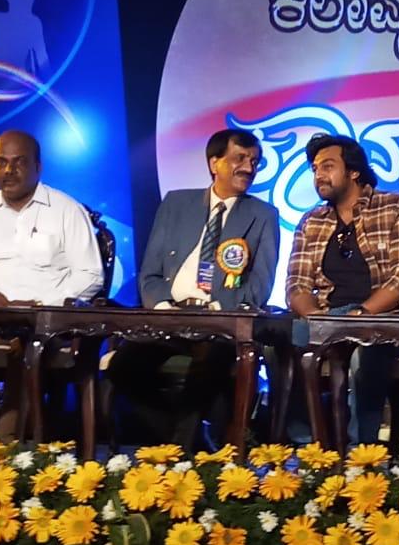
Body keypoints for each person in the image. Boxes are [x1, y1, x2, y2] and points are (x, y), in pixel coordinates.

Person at [109, 128, 280, 448]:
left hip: (220, 323)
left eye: (255, 161)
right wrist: (163, 309)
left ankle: (179, 450)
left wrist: (219, 310)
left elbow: (261, 283)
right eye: (240, 158)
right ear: (215, 163)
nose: (249, 167)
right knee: (122, 366)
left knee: (210, 363)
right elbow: (150, 273)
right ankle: (186, 441)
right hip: (170, 318)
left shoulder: (263, 215)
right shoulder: (176, 203)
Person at [0, 129, 103, 438]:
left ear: (38, 166)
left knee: (26, 340)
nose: (8, 170)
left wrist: (42, 305)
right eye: (0, 162)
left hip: (40, 321)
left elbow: (90, 274)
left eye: (19, 162)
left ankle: (4, 442)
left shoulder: (66, 211)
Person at [287, 134, 399, 445]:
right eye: (315, 169)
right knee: (280, 341)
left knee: (367, 345)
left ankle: (360, 451)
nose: (319, 175)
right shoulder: (312, 221)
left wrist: (361, 314)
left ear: (353, 171)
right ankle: (303, 446)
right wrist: (316, 319)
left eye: (328, 166)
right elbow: (297, 283)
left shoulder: (397, 206)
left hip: (380, 316)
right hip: (325, 316)